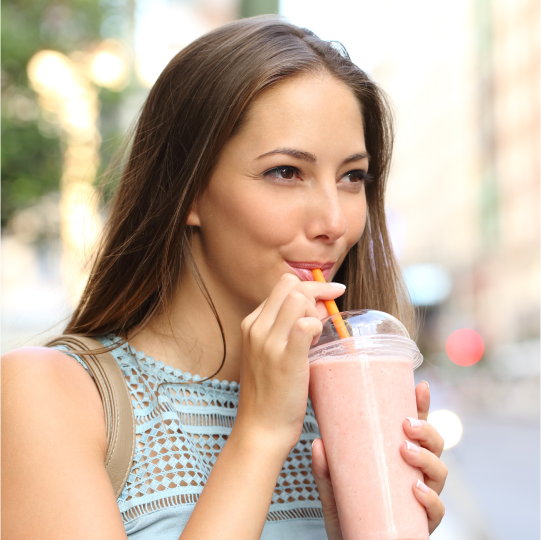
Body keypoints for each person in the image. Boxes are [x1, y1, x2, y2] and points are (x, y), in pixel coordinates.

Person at [0, 15, 447, 540]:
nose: (334, 222)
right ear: (188, 190)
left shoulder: (344, 403)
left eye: (353, 177)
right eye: (286, 172)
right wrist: (259, 434)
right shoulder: (50, 395)